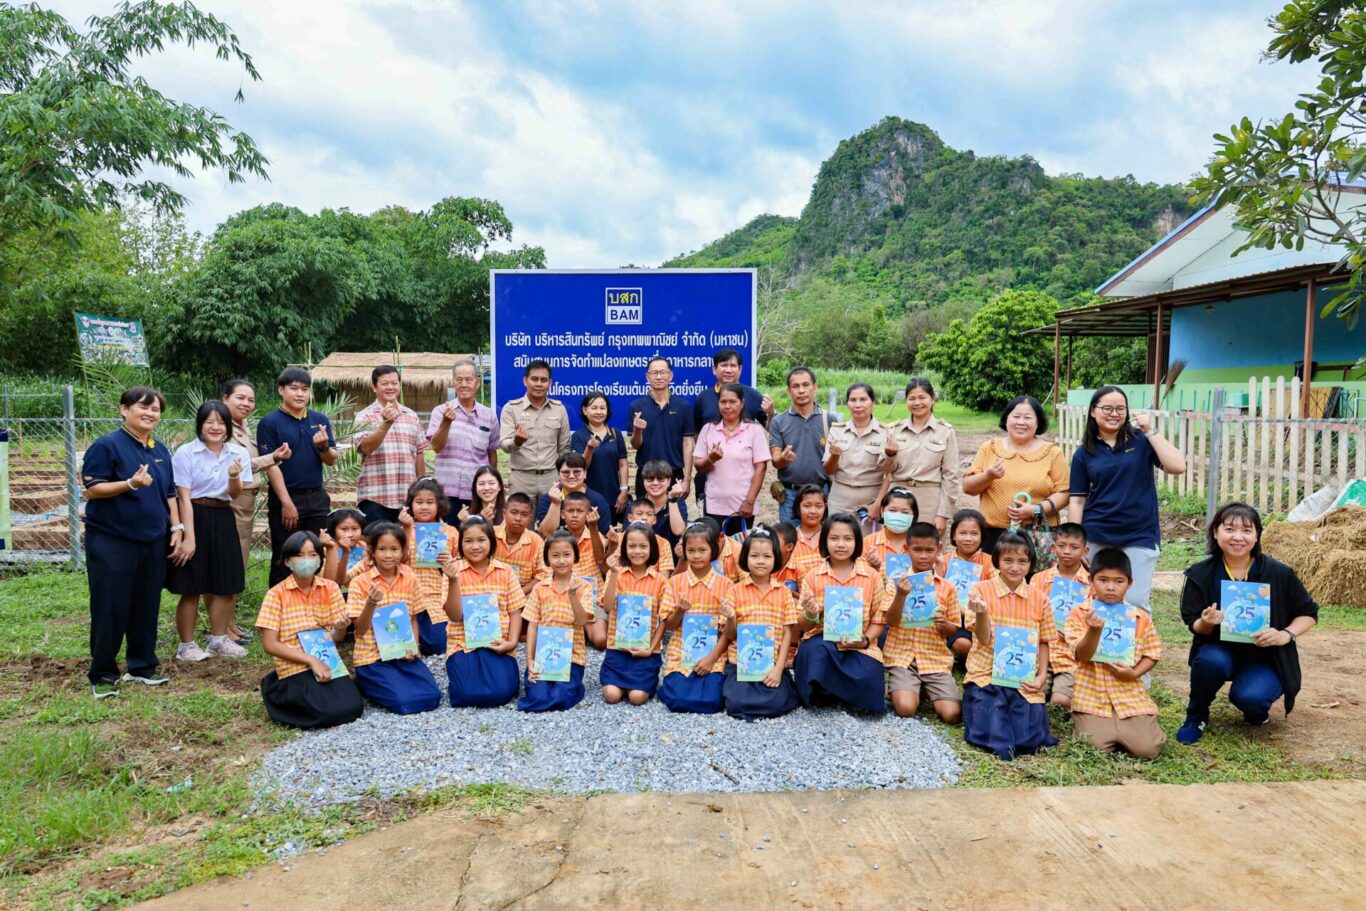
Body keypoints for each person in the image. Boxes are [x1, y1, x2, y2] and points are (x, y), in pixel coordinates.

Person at [1176, 502, 1318, 744]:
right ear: (1215, 532)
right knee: (1210, 660)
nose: (1238, 537)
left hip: (1266, 656)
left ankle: (1256, 711)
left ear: (1257, 535)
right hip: (1219, 649)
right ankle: (1196, 716)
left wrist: (1284, 634)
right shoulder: (1201, 574)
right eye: (1229, 529)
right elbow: (1194, 624)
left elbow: (1309, 613)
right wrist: (1206, 622)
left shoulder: (1279, 573)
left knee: (1252, 698)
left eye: (1247, 530)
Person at [82, 387, 181, 698]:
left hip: (152, 540)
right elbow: (93, 489)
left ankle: (142, 666)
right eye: (143, 407)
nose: (150, 413)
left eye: (156, 409)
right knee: (110, 605)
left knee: (146, 603)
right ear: (124, 409)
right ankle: (102, 674)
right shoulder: (107, 445)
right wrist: (130, 483)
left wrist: (176, 527)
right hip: (113, 540)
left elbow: (169, 493)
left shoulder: (159, 449)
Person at [1068, 385, 1186, 614]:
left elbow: (1178, 466)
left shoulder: (1141, 441)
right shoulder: (1084, 453)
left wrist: (1150, 430)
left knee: (1134, 603)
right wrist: (1076, 543)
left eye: (1120, 408)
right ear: (1093, 411)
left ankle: (1138, 640)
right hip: (1097, 534)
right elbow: (1077, 501)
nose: (1114, 414)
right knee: (1092, 600)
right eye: (1107, 408)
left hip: (1139, 534)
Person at [961, 532, 1058, 761]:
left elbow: (1044, 640)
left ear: (1031, 563)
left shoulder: (1040, 598)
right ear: (997, 560)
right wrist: (982, 613)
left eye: (1022, 561)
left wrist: (1041, 677)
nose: (1015, 567)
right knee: (990, 725)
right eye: (1008, 560)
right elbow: (983, 638)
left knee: (1029, 737)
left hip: (1023, 678)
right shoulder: (980, 590)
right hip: (986, 674)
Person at [168, 401, 253, 661]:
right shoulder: (186, 453)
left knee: (226, 583)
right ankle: (186, 646)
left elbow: (235, 494)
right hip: (194, 513)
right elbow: (183, 497)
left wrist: (234, 476)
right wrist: (189, 537)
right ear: (200, 424)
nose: (215, 427)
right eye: (209, 422)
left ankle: (219, 640)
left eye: (221, 422)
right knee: (192, 586)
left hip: (224, 516)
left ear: (228, 426)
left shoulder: (238, 453)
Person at [255, 531, 363, 729]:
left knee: (353, 707)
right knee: (327, 712)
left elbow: (336, 637)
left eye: (313, 555)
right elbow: (270, 644)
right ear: (287, 561)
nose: (307, 560)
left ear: (320, 560)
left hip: (326, 659)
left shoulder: (331, 588)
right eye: (299, 555)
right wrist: (310, 660)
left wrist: (341, 627)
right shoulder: (275, 595)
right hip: (295, 663)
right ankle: (274, 688)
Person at [1066, 549, 1166, 760]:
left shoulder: (1139, 617)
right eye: (1103, 580)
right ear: (1091, 581)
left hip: (1128, 693)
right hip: (1092, 693)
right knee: (1093, 747)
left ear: (1130, 583)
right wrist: (1094, 631)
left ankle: (1130, 726)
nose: (1110, 587)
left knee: (1147, 749)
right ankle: (1101, 726)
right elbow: (1081, 654)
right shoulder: (1079, 613)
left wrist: (1134, 674)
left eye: (1119, 581)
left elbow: (1152, 652)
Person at [793, 513, 897, 714]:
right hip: (822, 640)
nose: (841, 544)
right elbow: (803, 626)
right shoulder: (813, 576)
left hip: (859, 643)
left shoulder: (872, 576)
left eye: (847, 539)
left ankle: (835, 691)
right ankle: (827, 692)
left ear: (857, 542)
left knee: (867, 673)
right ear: (825, 541)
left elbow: (879, 619)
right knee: (814, 654)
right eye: (834, 538)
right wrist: (811, 613)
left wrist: (864, 641)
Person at [346, 522, 443, 714]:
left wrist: (414, 647)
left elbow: (413, 618)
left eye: (394, 549)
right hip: (372, 656)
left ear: (403, 551)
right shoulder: (360, 583)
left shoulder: (410, 578)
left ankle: (385, 683)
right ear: (372, 552)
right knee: (404, 702)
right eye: (382, 549)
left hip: (401, 652)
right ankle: (365, 682)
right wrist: (371, 603)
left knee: (432, 697)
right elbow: (360, 630)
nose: (388, 555)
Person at [222, 378, 290, 644]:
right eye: (240, 398)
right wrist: (273, 457)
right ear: (225, 398)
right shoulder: (221, 428)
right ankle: (223, 629)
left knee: (237, 565)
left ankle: (230, 623)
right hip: (232, 501)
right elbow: (237, 465)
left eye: (251, 399)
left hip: (246, 503)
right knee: (229, 566)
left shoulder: (242, 427)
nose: (246, 404)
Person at [257, 367, 338, 587]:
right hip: (286, 497)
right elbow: (271, 465)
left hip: (317, 497)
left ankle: (315, 602)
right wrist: (286, 502)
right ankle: (279, 605)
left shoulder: (319, 420)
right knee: (285, 555)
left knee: (317, 553)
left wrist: (323, 447)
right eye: (294, 388)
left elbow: (331, 459)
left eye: (305, 389)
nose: (300, 394)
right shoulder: (270, 422)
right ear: (281, 390)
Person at [962, 396, 1068, 554]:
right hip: (993, 534)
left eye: (1028, 418)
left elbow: (1064, 493)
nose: (1021, 422)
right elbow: (968, 488)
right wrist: (988, 476)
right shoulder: (989, 448)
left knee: (1033, 571)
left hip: (1037, 536)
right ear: (1006, 419)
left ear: (1038, 422)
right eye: (1016, 416)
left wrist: (1036, 510)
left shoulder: (1052, 453)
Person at [881, 522, 963, 723]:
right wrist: (901, 595)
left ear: (939, 549)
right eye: (917, 550)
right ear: (906, 549)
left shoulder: (947, 588)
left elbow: (953, 629)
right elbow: (890, 620)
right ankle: (905, 687)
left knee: (952, 714)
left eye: (929, 550)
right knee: (905, 708)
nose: (923, 556)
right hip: (903, 657)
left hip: (934, 658)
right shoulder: (896, 582)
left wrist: (943, 624)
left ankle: (921, 688)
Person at [443, 516, 526, 708]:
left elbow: (515, 612)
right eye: (468, 541)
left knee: (502, 693)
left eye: (481, 540)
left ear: (491, 541)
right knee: (466, 695)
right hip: (463, 643)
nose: (475, 546)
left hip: (497, 643)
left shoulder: (505, 571)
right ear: (460, 544)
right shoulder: (453, 571)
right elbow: (454, 615)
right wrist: (453, 580)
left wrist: (511, 643)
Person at [721, 528, 801, 721]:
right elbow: (729, 635)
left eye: (767, 556)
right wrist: (731, 618)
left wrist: (778, 669)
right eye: (754, 556)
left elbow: (788, 634)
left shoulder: (783, 592)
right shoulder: (734, 591)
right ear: (745, 558)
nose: (760, 561)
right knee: (736, 703)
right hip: (741, 662)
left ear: (775, 559)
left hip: (771, 661)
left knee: (776, 702)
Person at [656, 522, 733, 713]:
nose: (696, 555)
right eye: (691, 550)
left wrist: (711, 659)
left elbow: (727, 632)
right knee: (678, 699)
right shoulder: (675, 582)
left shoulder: (726, 585)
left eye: (702, 550)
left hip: (714, 651)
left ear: (713, 550)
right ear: (684, 551)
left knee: (712, 701)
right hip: (681, 649)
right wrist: (679, 611)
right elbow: (669, 626)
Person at [518, 529, 597, 712]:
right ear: (547, 559)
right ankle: (546, 695)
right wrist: (530, 660)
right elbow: (533, 625)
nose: (561, 561)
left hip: (571, 658)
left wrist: (572, 595)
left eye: (567, 555)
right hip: (543, 656)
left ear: (575, 557)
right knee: (537, 695)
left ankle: (575, 689)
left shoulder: (584, 586)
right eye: (555, 556)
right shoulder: (540, 587)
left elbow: (582, 621)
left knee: (562, 696)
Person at [878, 378, 961, 535]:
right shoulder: (894, 430)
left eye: (922, 397)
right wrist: (890, 454)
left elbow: (950, 475)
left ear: (932, 399)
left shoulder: (945, 431)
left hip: (929, 500)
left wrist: (942, 514)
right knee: (894, 544)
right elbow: (886, 470)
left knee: (926, 545)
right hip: (897, 498)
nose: (917, 403)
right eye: (912, 398)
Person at [693, 348, 772, 512]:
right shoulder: (703, 398)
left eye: (733, 365)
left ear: (740, 369)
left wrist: (771, 414)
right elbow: (696, 432)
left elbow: (769, 428)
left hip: (742, 483)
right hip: (709, 475)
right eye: (724, 365)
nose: (728, 370)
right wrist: (707, 456)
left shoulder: (753, 396)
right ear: (714, 369)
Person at [599, 523, 668, 705]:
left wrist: (650, 649)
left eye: (643, 546)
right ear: (624, 548)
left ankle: (645, 681)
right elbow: (607, 606)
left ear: (652, 549)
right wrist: (614, 573)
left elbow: (664, 619)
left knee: (637, 697)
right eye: (632, 546)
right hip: (618, 649)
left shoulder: (661, 581)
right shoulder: (616, 574)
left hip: (646, 651)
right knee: (611, 695)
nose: (637, 551)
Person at [353, 365, 428, 529]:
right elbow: (365, 448)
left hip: (408, 498)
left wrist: (422, 488)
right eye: (384, 383)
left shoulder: (411, 416)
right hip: (375, 498)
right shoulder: (364, 416)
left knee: (409, 542)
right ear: (374, 387)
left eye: (394, 383)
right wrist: (386, 423)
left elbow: (419, 452)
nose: (390, 387)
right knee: (377, 542)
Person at [693, 383, 771, 535]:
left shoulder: (754, 430)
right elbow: (698, 465)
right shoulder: (708, 429)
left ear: (742, 403)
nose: (727, 406)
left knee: (739, 546)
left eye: (732, 401)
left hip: (743, 506)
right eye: (723, 402)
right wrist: (711, 459)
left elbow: (761, 467)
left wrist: (750, 501)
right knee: (715, 546)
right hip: (714, 505)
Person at [427, 358, 499, 520]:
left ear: (477, 383)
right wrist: (446, 422)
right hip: (446, 494)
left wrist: (490, 487)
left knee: (476, 534)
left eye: (468, 380)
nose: (464, 384)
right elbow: (436, 447)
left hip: (476, 494)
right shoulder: (440, 411)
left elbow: (492, 454)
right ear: (454, 382)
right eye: (459, 380)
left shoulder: (489, 416)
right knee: (448, 534)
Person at [1030, 522, 1091, 709]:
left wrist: (1076, 632)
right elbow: (1028, 614)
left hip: (1070, 657)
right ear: (1053, 547)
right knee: (1032, 697)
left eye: (1074, 547)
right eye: (1062, 545)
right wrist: (1047, 628)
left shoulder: (1091, 585)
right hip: (1040, 652)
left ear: (1085, 551)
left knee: (1060, 701)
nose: (1067, 551)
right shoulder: (1038, 579)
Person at [396, 478, 459, 656]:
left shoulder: (451, 532)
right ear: (410, 504)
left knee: (439, 644)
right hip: (406, 596)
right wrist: (406, 529)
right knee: (397, 646)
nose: (424, 507)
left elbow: (462, 565)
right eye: (419, 502)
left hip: (437, 597)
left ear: (439, 504)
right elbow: (397, 562)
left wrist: (451, 562)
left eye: (430, 502)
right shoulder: (400, 531)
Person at [500, 359, 571, 499]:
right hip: (521, 478)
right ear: (525, 381)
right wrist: (517, 442)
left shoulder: (559, 409)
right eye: (534, 379)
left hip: (551, 478)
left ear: (550, 383)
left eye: (544, 380)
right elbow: (504, 445)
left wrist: (562, 476)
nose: (539, 384)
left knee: (552, 513)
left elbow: (564, 448)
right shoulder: (511, 409)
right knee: (520, 514)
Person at [822, 384, 892, 525]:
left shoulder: (886, 432)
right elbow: (828, 470)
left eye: (863, 399)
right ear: (847, 403)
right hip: (840, 501)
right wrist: (835, 456)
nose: (857, 405)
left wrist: (878, 504)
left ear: (873, 403)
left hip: (870, 503)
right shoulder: (837, 431)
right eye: (853, 400)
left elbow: (890, 474)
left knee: (869, 539)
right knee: (839, 537)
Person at [767, 366, 829, 524]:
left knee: (821, 537)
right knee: (790, 537)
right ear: (789, 391)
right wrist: (783, 458)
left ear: (815, 387)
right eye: (796, 386)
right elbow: (775, 461)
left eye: (806, 385)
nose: (801, 390)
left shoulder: (829, 419)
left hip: (821, 493)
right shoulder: (778, 421)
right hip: (790, 495)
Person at [627, 356, 696, 497]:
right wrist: (638, 430)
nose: (658, 377)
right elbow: (635, 445)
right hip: (646, 475)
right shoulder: (636, 406)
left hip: (674, 473)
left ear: (670, 376)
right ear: (647, 377)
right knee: (644, 511)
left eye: (663, 372)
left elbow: (688, 443)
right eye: (654, 373)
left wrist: (687, 479)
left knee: (675, 511)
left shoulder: (683, 406)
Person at [939, 508, 995, 666]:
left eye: (974, 534)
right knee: (963, 644)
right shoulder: (944, 561)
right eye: (962, 533)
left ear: (982, 536)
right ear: (953, 535)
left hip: (981, 618)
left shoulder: (990, 562)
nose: (968, 538)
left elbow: (994, 593)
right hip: (953, 618)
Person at [572, 391, 629, 520]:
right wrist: (589, 448)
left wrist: (624, 490)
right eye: (594, 408)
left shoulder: (615, 433)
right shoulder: (578, 436)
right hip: (588, 497)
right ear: (585, 410)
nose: (598, 412)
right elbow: (581, 467)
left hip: (614, 496)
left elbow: (623, 464)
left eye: (602, 408)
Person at [536, 453, 611, 537]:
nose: (571, 476)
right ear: (558, 474)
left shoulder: (598, 500)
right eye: (566, 472)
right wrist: (555, 503)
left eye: (577, 472)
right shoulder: (548, 499)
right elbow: (545, 535)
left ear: (585, 473)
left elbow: (604, 537)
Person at [862, 486, 919, 582]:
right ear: (882, 511)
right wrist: (871, 567)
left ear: (913, 516)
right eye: (892, 510)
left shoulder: (921, 544)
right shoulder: (868, 542)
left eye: (905, 512)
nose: (898, 516)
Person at [495, 492, 545, 595]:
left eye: (524, 514)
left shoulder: (536, 542)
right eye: (514, 512)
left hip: (523, 593)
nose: (518, 518)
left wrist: (518, 594)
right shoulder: (491, 535)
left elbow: (542, 575)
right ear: (504, 513)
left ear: (530, 518)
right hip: (492, 590)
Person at [638, 459, 688, 548]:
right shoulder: (636, 505)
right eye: (650, 480)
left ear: (669, 481)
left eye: (660, 479)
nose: (655, 483)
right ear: (644, 482)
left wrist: (672, 499)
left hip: (671, 553)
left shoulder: (678, 502)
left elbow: (679, 531)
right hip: (643, 553)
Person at [624, 498, 676, 575]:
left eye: (649, 514)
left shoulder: (663, 543)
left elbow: (664, 577)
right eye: (639, 513)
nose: (644, 518)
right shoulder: (619, 539)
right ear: (630, 518)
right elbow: (613, 569)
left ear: (654, 520)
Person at [788, 485, 828, 582]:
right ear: (798, 507)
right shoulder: (790, 540)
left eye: (818, 506)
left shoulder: (832, 537)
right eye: (807, 506)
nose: (813, 511)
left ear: (825, 507)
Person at [320, 507, 367, 591]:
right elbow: (328, 581)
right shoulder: (328, 550)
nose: (350, 534)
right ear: (334, 531)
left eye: (355, 529)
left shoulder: (366, 548)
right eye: (344, 529)